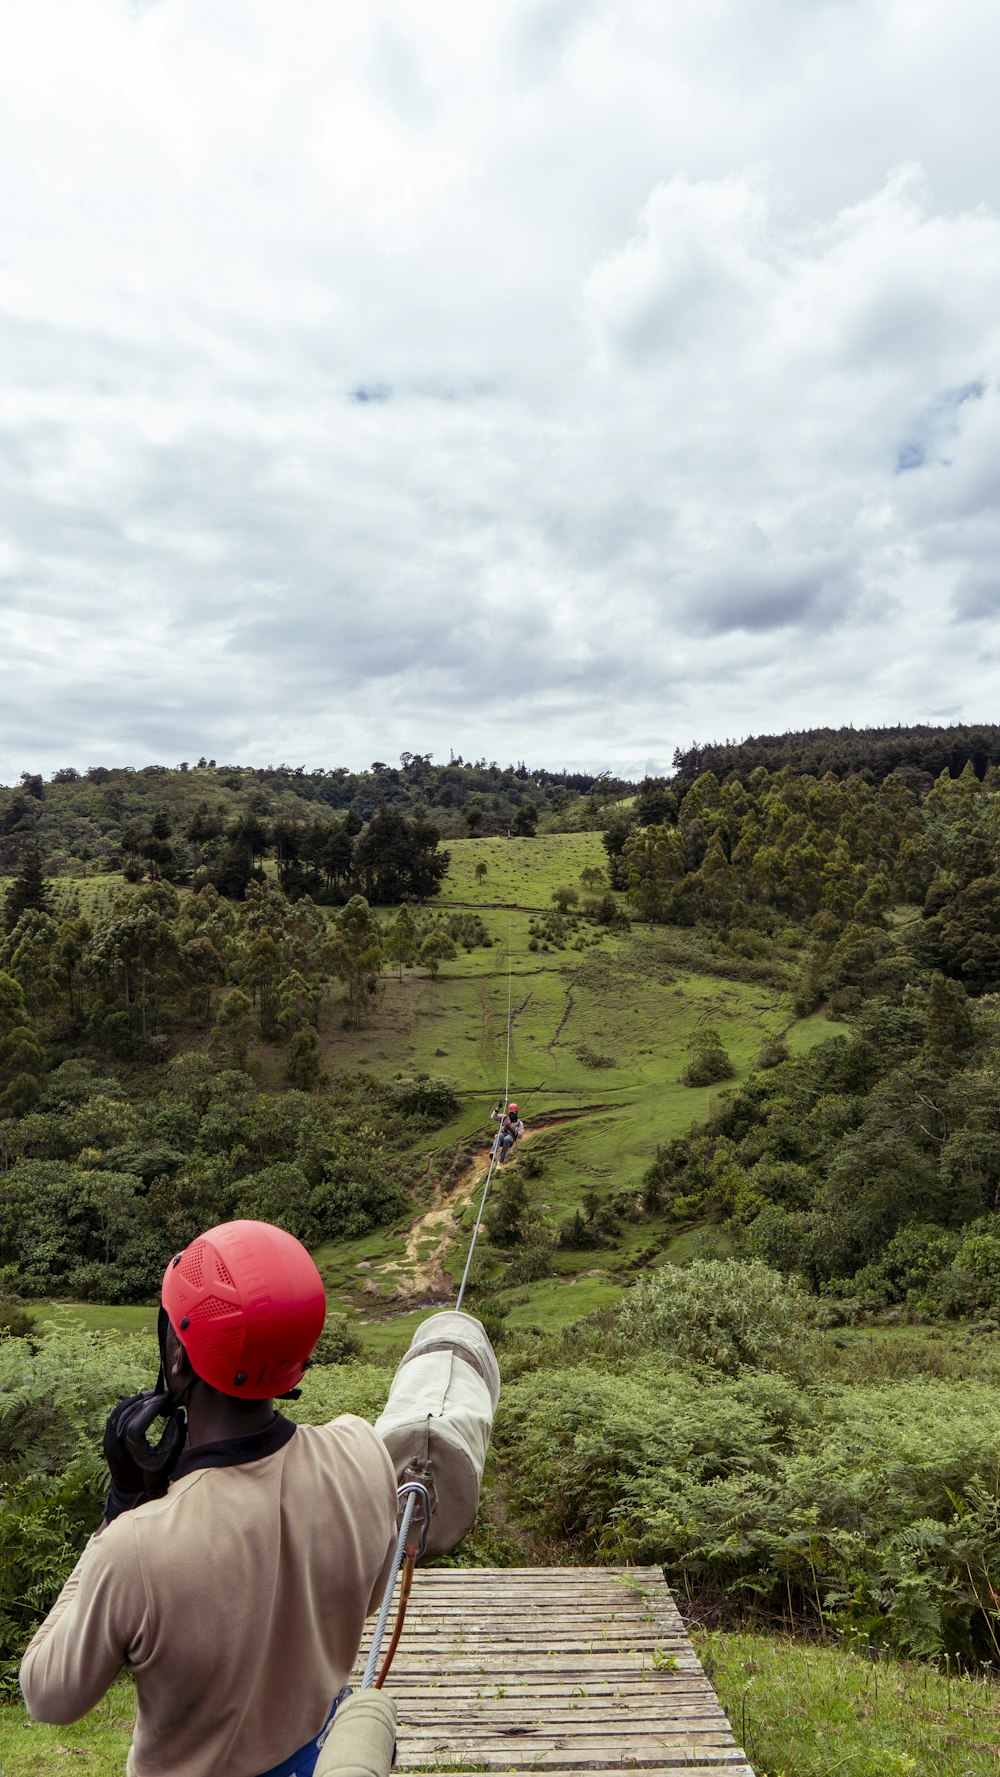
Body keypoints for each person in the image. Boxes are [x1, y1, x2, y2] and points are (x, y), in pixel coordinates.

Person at [19, 1219, 398, 1777]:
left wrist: (123, 1506)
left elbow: (48, 1697)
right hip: (314, 1755)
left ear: (177, 1354)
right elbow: (361, 1599)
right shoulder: (361, 1452)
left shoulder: (136, 1547)